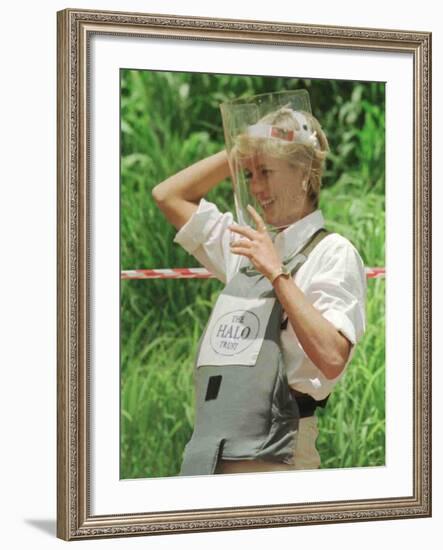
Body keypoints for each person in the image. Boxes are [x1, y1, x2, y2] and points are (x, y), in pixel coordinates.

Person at [152, 90, 367, 475]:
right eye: (249, 175)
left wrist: (277, 274)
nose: (255, 187)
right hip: (210, 454)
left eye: (265, 172)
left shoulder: (334, 253)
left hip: (278, 458)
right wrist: (241, 150)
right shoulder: (248, 246)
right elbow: (168, 196)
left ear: (303, 174)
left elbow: (333, 358)